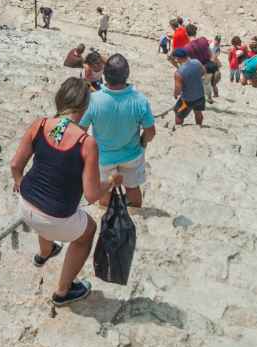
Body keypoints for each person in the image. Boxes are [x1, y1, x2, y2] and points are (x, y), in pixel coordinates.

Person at [10, 78, 124, 306]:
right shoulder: (86, 142)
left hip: (25, 205)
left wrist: (19, 182)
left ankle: (44, 253)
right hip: (54, 216)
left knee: (47, 208)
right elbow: (91, 195)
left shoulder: (40, 124)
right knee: (87, 231)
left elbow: (15, 165)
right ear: (84, 107)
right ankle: (63, 291)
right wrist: (110, 181)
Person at [78, 55, 155, 208]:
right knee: (133, 189)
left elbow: (81, 131)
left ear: (105, 75)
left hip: (103, 157)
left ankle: (105, 213)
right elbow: (150, 132)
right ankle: (135, 216)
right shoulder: (140, 100)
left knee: (104, 192)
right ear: (127, 74)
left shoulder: (93, 100)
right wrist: (142, 142)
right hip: (132, 154)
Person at [172, 50, 206, 127]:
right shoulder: (196, 62)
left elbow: (178, 90)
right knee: (198, 112)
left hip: (187, 99)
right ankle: (199, 126)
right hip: (200, 95)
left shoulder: (179, 73)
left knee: (178, 114)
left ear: (178, 58)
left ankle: (178, 129)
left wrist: (175, 94)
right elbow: (203, 71)